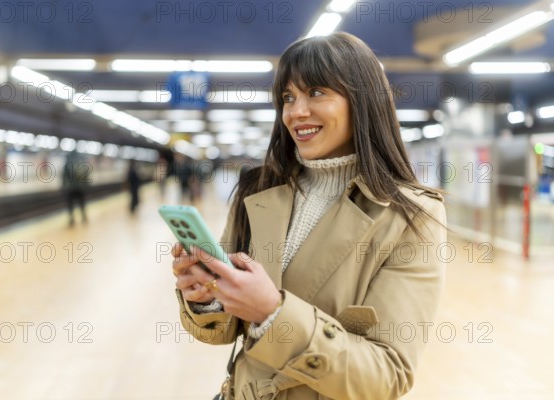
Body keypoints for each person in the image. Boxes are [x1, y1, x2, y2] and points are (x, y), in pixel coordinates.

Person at [171, 32, 447, 400]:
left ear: (362, 101)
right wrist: (206, 297)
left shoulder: (410, 216)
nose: (296, 111)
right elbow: (224, 329)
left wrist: (273, 313)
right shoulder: (257, 191)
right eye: (288, 97)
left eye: (316, 92)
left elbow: (387, 374)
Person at [62, 151, 90, 227]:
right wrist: (86, 186)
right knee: (82, 203)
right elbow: (86, 175)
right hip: (80, 188)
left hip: (71, 188)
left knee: (70, 204)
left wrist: (64, 187)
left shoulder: (67, 163)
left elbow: (64, 177)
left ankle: (71, 220)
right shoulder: (81, 162)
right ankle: (84, 217)